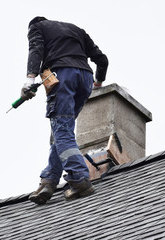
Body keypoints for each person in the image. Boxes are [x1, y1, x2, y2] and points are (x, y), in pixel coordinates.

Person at [23, 17, 108, 204]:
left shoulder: (37, 27)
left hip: (62, 75)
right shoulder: (77, 29)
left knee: (61, 129)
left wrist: (29, 80)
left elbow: (35, 50)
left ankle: (79, 178)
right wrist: (98, 83)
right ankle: (49, 180)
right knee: (62, 130)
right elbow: (102, 60)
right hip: (85, 79)